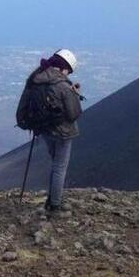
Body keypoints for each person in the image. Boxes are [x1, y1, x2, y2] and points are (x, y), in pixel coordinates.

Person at [16, 48, 83, 213]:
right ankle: (55, 204)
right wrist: (75, 94)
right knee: (60, 166)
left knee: (55, 164)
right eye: (68, 70)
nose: (68, 74)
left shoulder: (36, 78)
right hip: (62, 133)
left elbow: (24, 103)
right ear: (64, 66)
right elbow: (74, 113)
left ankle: (53, 198)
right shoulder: (62, 85)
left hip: (44, 130)